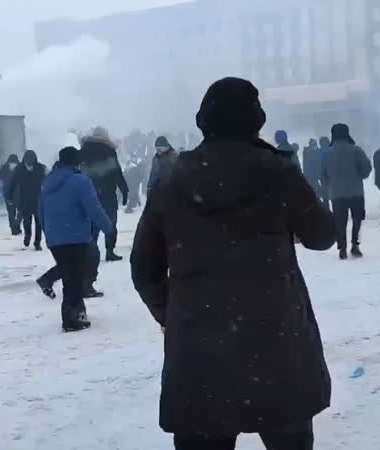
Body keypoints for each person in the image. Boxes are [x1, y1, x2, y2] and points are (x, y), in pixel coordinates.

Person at [131, 77, 334, 450]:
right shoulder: (279, 173)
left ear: (203, 121)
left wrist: (172, 313)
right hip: (278, 341)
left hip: (198, 350)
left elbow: (143, 267)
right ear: (256, 121)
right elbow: (322, 236)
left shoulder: (173, 180)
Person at [40, 147, 112, 332]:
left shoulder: (48, 182)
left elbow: (41, 210)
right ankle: (71, 319)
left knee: (70, 275)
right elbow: (93, 207)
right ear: (77, 162)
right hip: (75, 236)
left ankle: (78, 313)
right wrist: (107, 227)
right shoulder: (81, 181)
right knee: (74, 279)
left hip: (55, 237)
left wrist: (47, 232)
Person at [323, 123, 372, 260]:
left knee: (340, 221)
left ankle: (342, 247)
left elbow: (323, 173)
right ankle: (355, 245)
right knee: (357, 219)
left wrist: (331, 183)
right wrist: (359, 176)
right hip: (356, 192)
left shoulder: (327, 153)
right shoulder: (356, 150)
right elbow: (367, 167)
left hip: (337, 194)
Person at [80, 127, 129, 262]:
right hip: (108, 192)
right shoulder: (109, 150)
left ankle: (91, 251)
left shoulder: (84, 150)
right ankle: (109, 251)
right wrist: (124, 190)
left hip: (90, 193)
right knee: (110, 222)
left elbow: (79, 172)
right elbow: (117, 172)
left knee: (92, 223)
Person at [6, 150, 47, 250]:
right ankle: (27, 236)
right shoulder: (19, 169)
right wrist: (9, 197)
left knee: (39, 223)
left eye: (31, 164)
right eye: (28, 164)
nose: (29, 166)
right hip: (24, 200)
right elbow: (12, 183)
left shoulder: (40, 168)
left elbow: (47, 182)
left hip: (38, 199)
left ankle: (37, 242)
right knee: (27, 222)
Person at [0, 154, 22, 235]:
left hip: (8, 193)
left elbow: (1, 178)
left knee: (11, 212)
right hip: (19, 193)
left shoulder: (4, 168)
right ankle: (17, 225)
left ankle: (13, 227)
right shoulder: (20, 167)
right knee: (21, 211)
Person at [318, 136, 332, 209]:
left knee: (325, 196)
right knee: (333, 195)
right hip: (332, 175)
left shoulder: (318, 151)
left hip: (323, 176)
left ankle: (326, 210)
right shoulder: (332, 150)